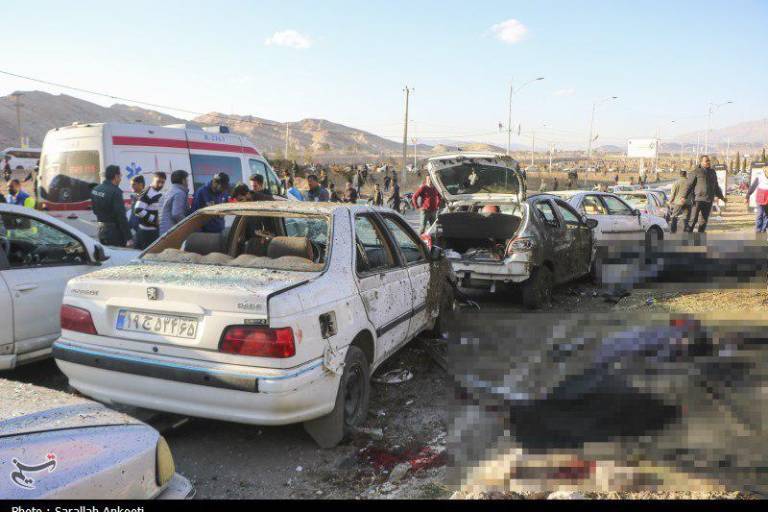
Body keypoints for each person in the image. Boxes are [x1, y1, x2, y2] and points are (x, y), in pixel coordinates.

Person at [91, 165, 132, 247]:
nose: (120, 179)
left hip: (101, 229)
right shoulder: (115, 192)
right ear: (116, 176)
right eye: (120, 176)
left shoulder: (96, 189)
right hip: (114, 233)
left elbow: (95, 210)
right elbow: (121, 217)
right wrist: (129, 237)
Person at [684, 155, 725, 233]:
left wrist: (721, 197)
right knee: (693, 220)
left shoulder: (712, 172)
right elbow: (689, 185)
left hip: (708, 200)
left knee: (703, 221)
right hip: (697, 200)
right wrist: (684, 196)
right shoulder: (696, 171)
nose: (708, 162)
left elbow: (716, 186)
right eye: (706, 161)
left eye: (709, 160)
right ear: (701, 162)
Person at [132, 171, 166, 249]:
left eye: (162, 182)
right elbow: (138, 210)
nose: (160, 184)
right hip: (146, 233)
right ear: (153, 180)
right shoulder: (147, 192)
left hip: (153, 232)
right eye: (158, 181)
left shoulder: (157, 192)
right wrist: (154, 219)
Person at [160, 170, 190, 234]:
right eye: (187, 180)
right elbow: (177, 214)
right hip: (172, 231)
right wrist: (188, 224)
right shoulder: (179, 193)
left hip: (163, 230)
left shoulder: (168, 192)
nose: (188, 182)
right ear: (183, 180)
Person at [745, 165, 768, 234]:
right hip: (760, 197)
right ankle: (758, 231)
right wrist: (747, 196)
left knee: (766, 215)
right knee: (760, 214)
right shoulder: (760, 177)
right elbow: (753, 187)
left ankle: (763, 230)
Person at [668, 169, 692, 233]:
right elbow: (693, 193)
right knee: (686, 217)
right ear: (686, 174)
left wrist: (670, 201)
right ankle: (685, 229)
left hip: (678, 202)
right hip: (688, 202)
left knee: (674, 216)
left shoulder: (676, 183)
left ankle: (673, 230)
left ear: (680, 174)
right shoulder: (690, 183)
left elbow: (673, 194)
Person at [128, 175, 146, 244]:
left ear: (140, 185)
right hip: (137, 232)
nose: (131, 187)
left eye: (133, 184)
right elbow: (133, 216)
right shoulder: (135, 197)